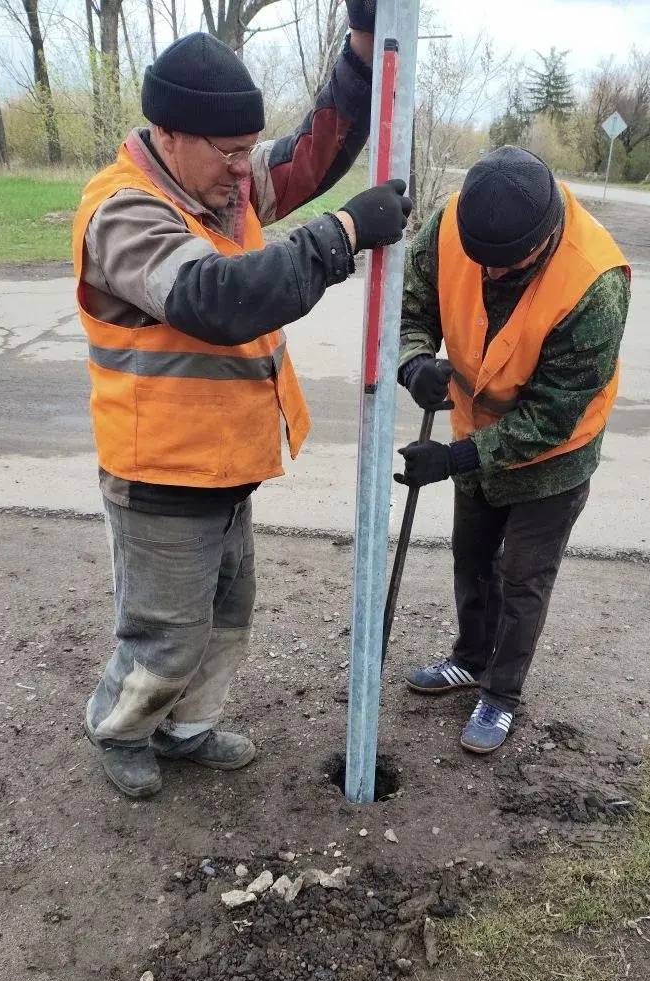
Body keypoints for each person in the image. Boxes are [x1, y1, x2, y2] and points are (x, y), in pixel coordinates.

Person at [73, 6, 412, 798]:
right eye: (230, 154)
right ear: (170, 134)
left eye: (244, 155)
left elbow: (311, 153)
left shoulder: (221, 184)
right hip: (159, 470)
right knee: (165, 630)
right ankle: (120, 730)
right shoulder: (123, 212)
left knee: (227, 614)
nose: (244, 171)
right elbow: (213, 297)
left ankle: (188, 730)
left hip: (226, 463)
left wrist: (361, 47)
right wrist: (340, 237)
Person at [395, 146, 630, 755]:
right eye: (483, 262)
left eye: (509, 264)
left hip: (555, 456)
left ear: (547, 233)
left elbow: (554, 413)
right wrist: (415, 359)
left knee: (523, 576)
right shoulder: (454, 222)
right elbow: (413, 300)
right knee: (471, 557)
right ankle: (471, 659)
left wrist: (454, 461)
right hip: (476, 429)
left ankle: (502, 694)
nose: (492, 275)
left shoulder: (594, 284)